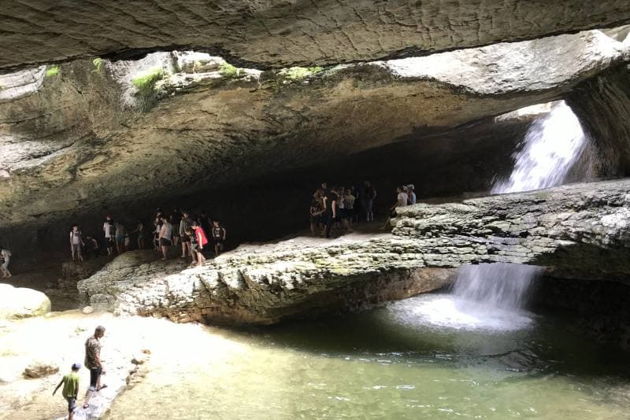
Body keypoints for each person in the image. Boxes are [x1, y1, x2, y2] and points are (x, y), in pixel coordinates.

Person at [84, 326, 106, 407]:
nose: (103, 335)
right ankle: (85, 403)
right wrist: (102, 366)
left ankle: (99, 386)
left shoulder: (89, 338)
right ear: (98, 332)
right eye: (102, 333)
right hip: (93, 364)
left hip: (88, 361)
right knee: (92, 384)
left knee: (99, 371)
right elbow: (96, 357)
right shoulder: (95, 343)